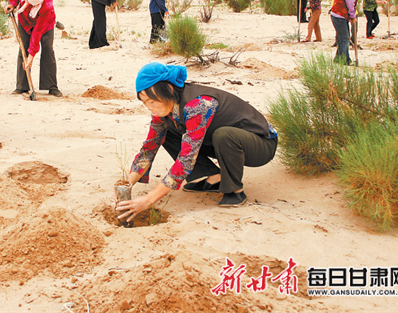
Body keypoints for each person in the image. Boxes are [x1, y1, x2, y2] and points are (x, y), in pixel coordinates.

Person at [116, 63, 279, 222]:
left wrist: (148, 199)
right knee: (168, 133)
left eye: (152, 101)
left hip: (261, 144)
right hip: (221, 143)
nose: (149, 107)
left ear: (169, 90)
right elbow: (149, 148)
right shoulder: (163, 111)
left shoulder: (198, 104)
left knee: (224, 135)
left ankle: (234, 190)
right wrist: (127, 184)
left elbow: (186, 159)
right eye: (145, 103)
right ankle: (212, 177)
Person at [4, 0, 63, 97]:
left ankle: (51, 86)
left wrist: (32, 55)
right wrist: (13, 4)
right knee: (23, 49)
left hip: (45, 24)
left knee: (47, 49)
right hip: (25, 21)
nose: (33, 5)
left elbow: (37, 32)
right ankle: (22, 86)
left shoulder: (47, 2)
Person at [330, 0, 368, 65]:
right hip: (339, 15)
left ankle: (339, 59)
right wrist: (353, 16)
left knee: (343, 37)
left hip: (341, 15)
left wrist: (352, 16)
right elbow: (350, 4)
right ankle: (344, 60)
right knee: (345, 38)